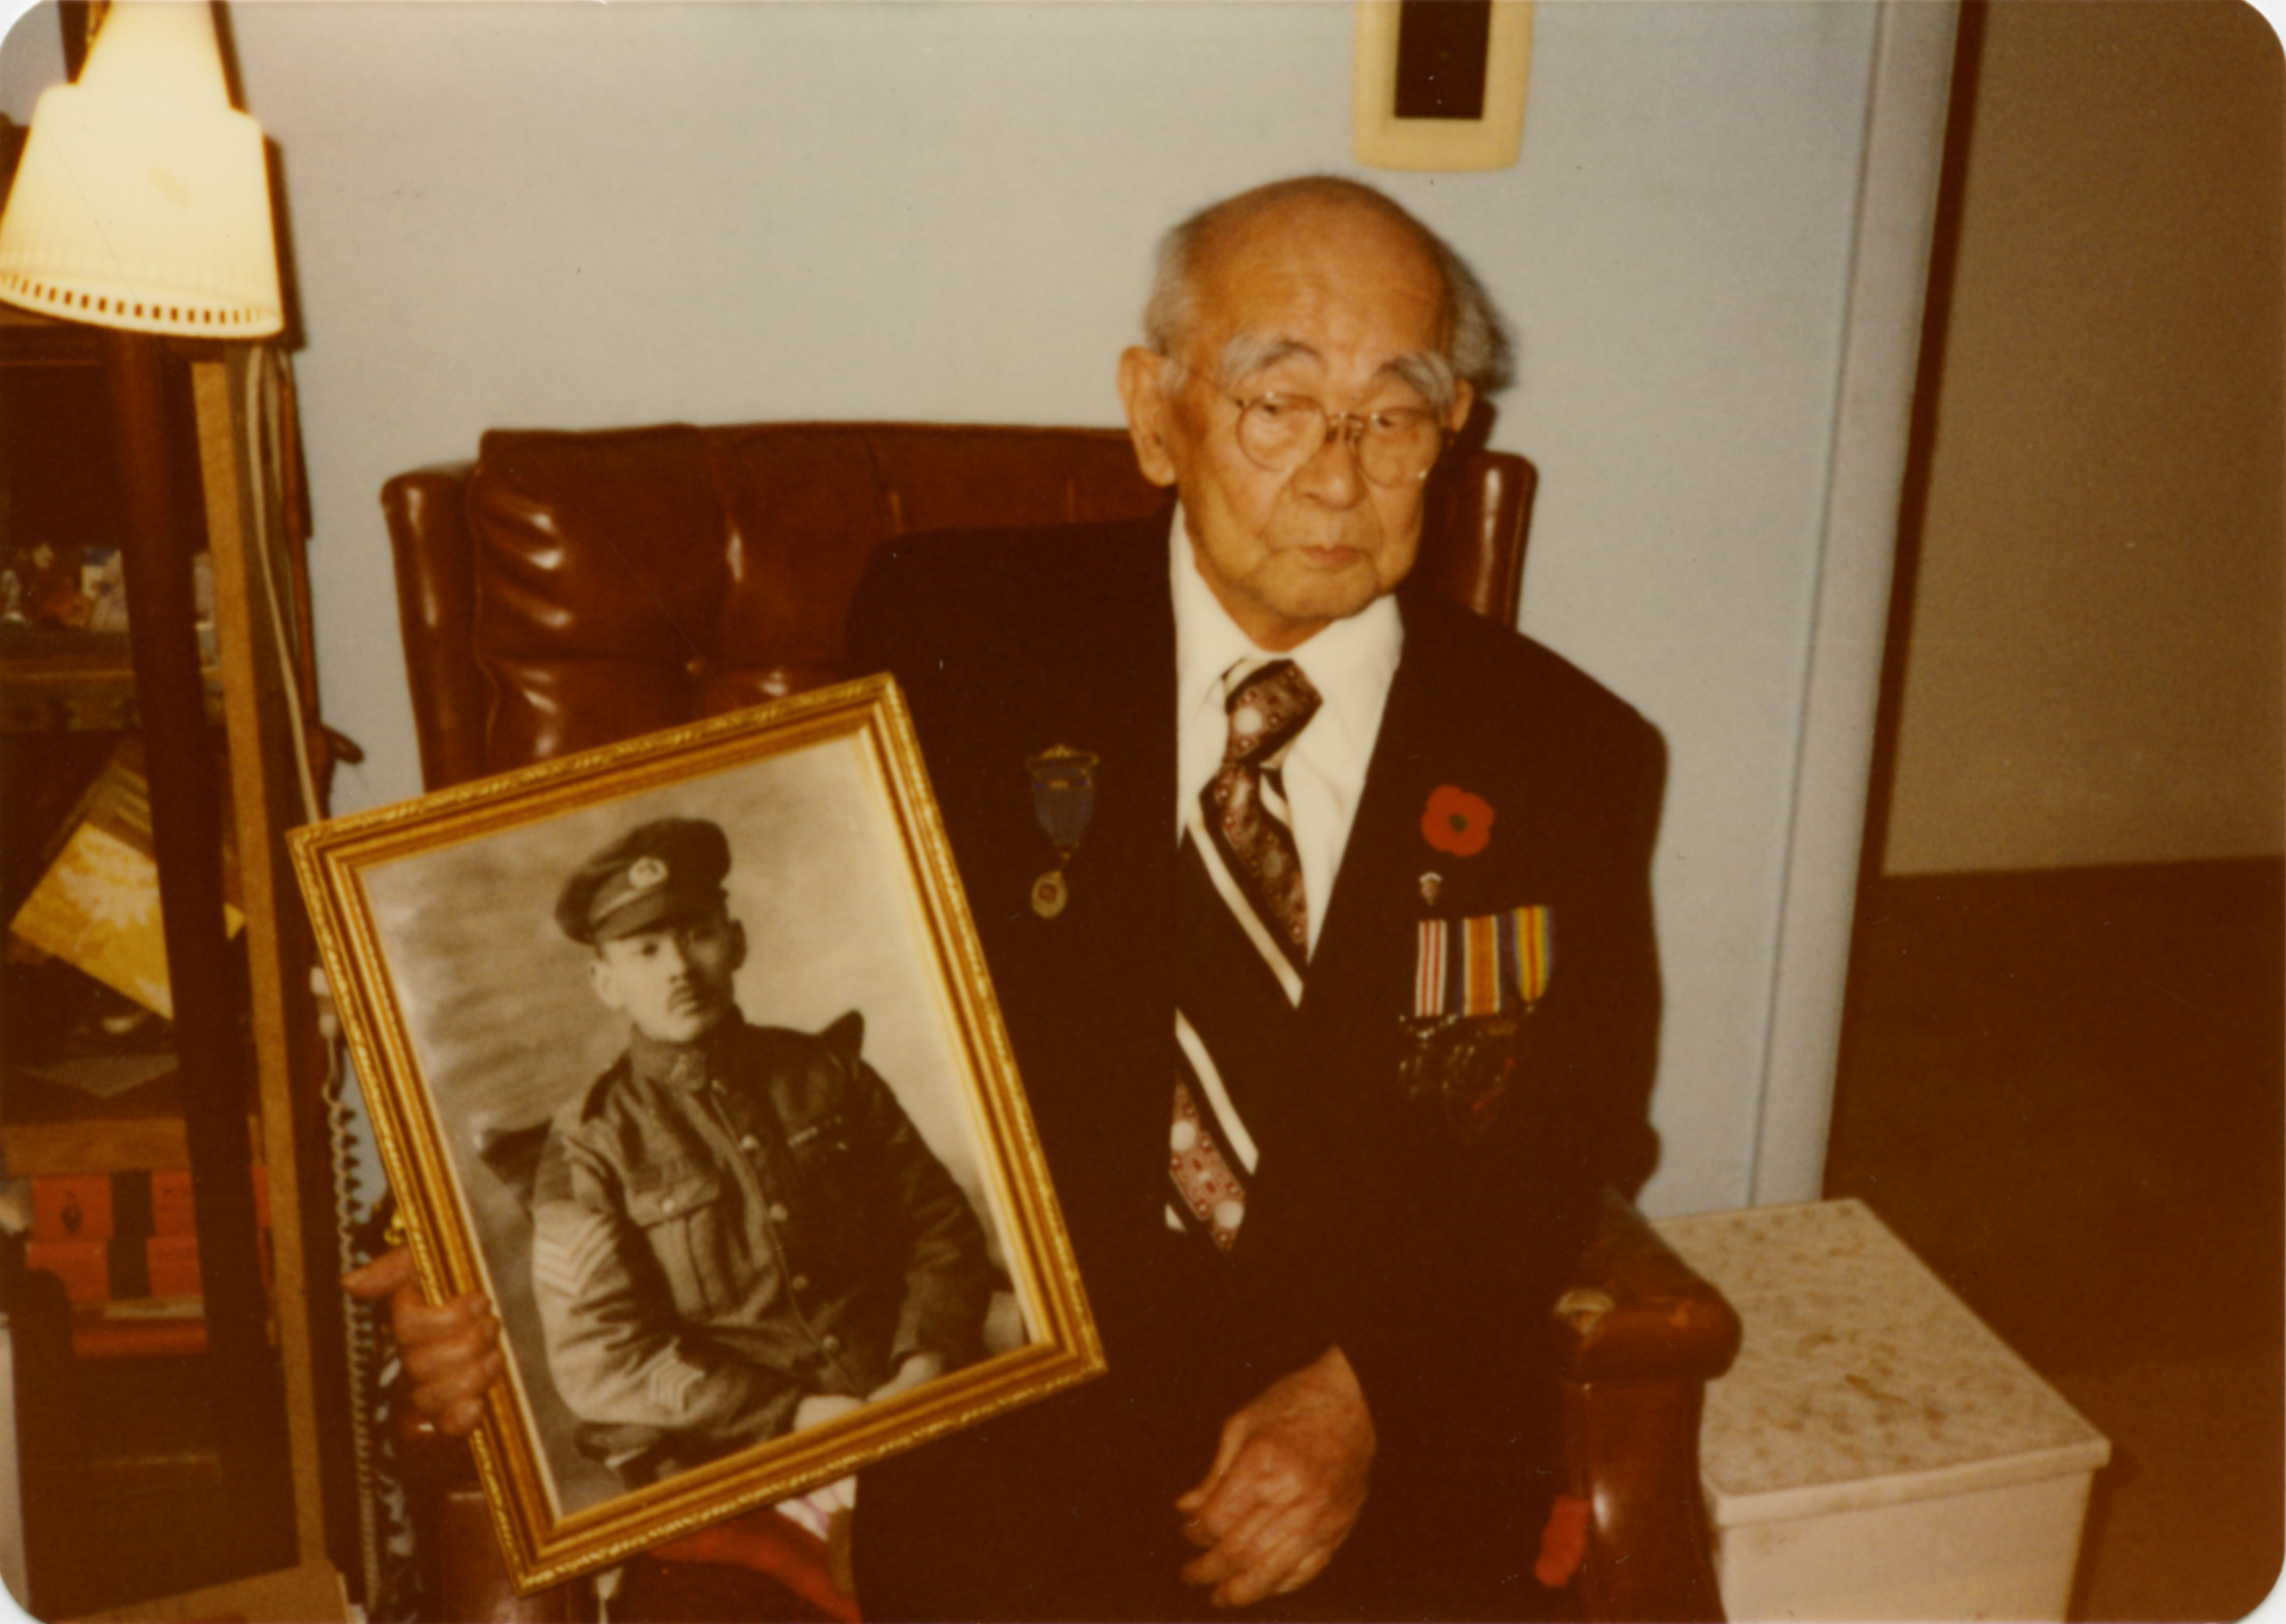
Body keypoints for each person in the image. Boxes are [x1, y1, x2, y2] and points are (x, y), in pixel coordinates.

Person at [352, 175, 1663, 1621]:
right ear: (1156, 411)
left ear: (1453, 427)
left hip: (1371, 1431)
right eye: (1276, 403)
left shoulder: (1567, 755)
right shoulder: (959, 631)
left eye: (1393, 413)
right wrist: (472, 1250)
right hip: (1015, 1419)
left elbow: (1569, 1130)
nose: (1340, 476)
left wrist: (1367, 1390)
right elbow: (762, 989)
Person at [519, 816, 991, 1478]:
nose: (680, 967)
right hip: (758, 1451)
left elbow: (941, 1226)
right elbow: (604, 1355)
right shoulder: (589, 1143)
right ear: (605, 981)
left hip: (917, 1391)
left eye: (697, 933)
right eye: (645, 950)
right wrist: (791, 1413)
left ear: (735, 943)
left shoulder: (828, 1072)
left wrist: (926, 1359)